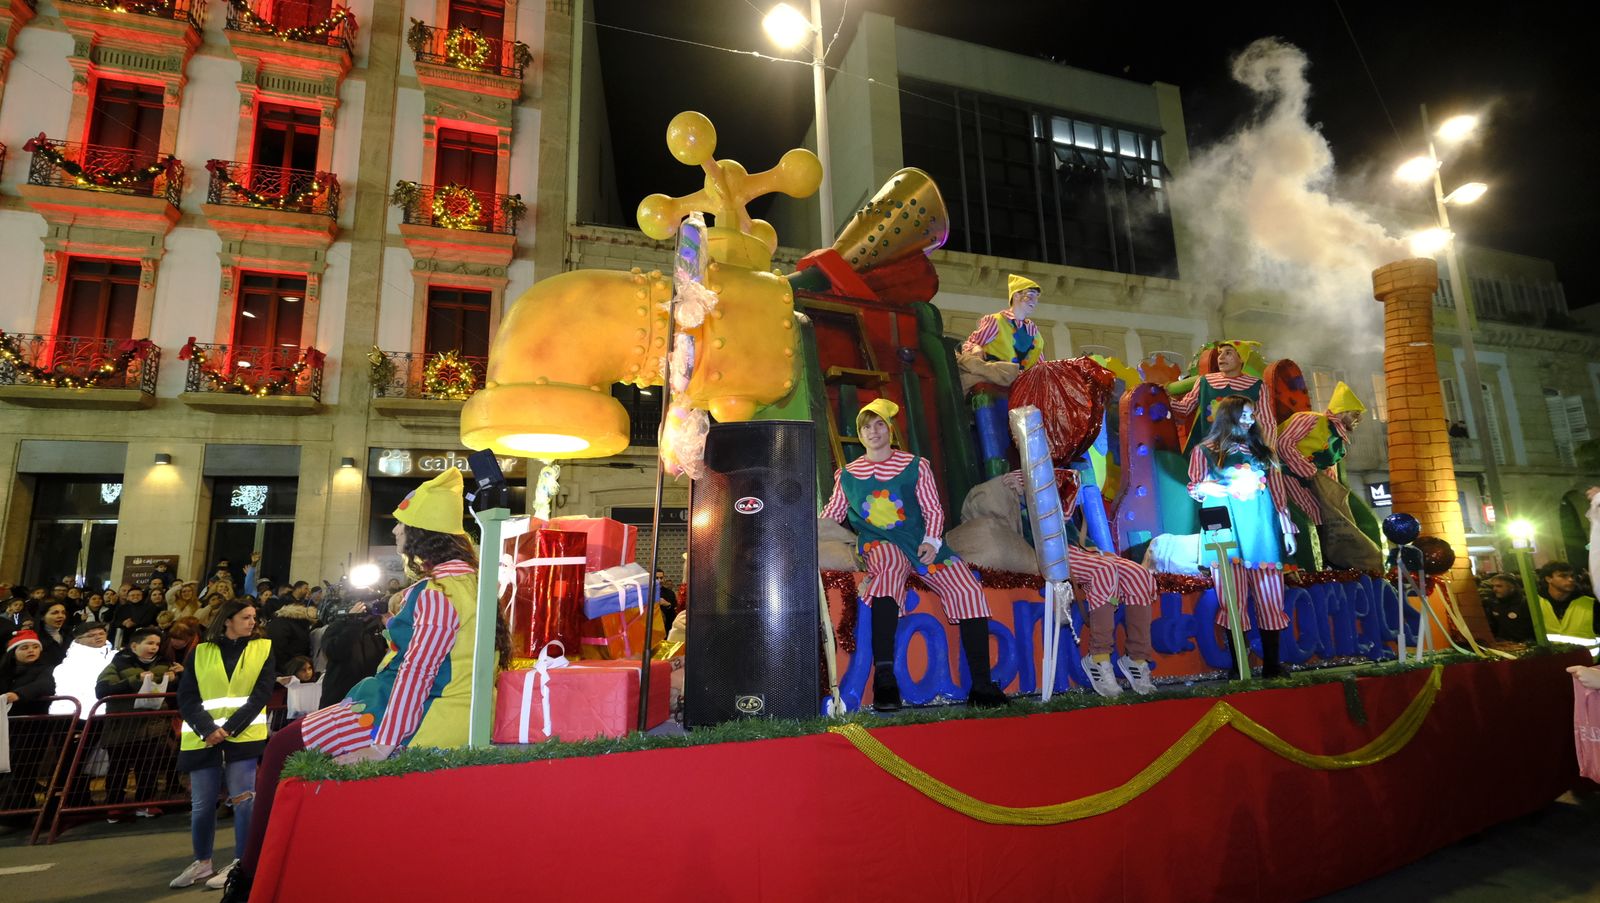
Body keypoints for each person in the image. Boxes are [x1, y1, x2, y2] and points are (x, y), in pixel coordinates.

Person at [226, 468, 504, 902]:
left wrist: (384, 742)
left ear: (421, 534)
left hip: (407, 717)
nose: (393, 530)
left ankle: (251, 876)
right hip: (450, 717)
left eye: (401, 523)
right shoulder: (476, 584)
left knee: (281, 748)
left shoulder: (437, 592)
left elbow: (417, 672)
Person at [820, 398, 1009, 712]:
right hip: (881, 543)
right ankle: (885, 680)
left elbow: (933, 509)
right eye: (866, 426)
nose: (873, 431)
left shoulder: (915, 466)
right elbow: (831, 515)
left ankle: (981, 683)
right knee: (888, 573)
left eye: (879, 424)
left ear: (889, 429)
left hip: (921, 542)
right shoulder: (849, 475)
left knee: (966, 586)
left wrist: (933, 542)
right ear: (860, 434)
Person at [1003, 468, 1160, 697]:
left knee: (1140, 575)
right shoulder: (1019, 489)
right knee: (1104, 570)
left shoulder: (1057, 478)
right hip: (1049, 553)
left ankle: (1136, 658)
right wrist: (1023, 493)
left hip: (1078, 549)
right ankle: (1099, 658)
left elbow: (1066, 513)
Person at [1188, 395, 1297, 679]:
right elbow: (1195, 488)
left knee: (1270, 596)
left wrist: (1286, 527)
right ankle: (1240, 667)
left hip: (1261, 529)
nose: (1250, 419)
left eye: (1252, 414)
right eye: (1244, 414)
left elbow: (1278, 493)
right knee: (1231, 599)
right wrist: (1211, 488)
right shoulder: (1206, 450)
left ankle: (1272, 665)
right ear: (1229, 415)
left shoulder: (1263, 452)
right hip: (1223, 527)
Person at [170, 599, 275, 891]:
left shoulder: (263, 648)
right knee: (202, 805)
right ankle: (202, 862)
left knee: (244, 802)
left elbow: (261, 693)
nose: (253, 622)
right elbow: (187, 696)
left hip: (241, 737)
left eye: (254, 617)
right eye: (246, 617)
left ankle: (241, 861)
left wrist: (227, 728)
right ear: (228, 620)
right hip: (204, 738)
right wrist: (208, 729)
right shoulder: (200, 652)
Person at [1273, 381, 1381, 571]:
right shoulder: (1310, 420)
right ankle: (1317, 562)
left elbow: (1329, 471)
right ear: (1341, 411)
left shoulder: (1338, 441)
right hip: (1287, 476)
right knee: (1312, 512)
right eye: (1355, 414)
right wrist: (1308, 471)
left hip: (1312, 482)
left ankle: (1335, 560)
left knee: (1327, 513)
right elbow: (1283, 444)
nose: (1359, 420)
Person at [96, 627, 179, 820]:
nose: (154, 648)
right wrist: (135, 680)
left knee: (148, 766)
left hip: (153, 727)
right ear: (134, 645)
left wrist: (180, 676)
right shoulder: (117, 664)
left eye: (157, 644)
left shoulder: (165, 665)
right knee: (119, 768)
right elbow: (102, 690)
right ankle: (115, 804)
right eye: (149, 643)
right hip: (123, 727)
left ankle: (146, 802)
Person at [1170, 340, 1276, 455]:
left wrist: (1266, 449)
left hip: (1243, 451)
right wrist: (1163, 398)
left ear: (1241, 358)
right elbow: (1184, 408)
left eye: (1228, 353)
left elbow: (1267, 421)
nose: (1221, 357)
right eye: (1220, 353)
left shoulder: (1257, 385)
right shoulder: (1204, 381)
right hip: (1207, 448)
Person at [0, 631, 57, 811]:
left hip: (31, 728)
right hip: (6, 727)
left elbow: (45, 685)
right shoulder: (4, 672)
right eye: (24, 648)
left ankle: (18, 813)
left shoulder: (46, 669)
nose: (31, 651)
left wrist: (18, 694)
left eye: (34, 647)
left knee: (22, 769)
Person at [960, 273, 1044, 378]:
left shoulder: (1035, 333)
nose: (1035, 301)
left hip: (1022, 387)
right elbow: (970, 344)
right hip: (995, 383)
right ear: (1016, 295)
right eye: (1030, 295)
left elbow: (1040, 366)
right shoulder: (996, 321)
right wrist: (975, 348)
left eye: (1036, 297)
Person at [1536, 562, 1596, 643]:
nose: (1570, 579)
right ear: (1548, 579)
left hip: (1586, 655)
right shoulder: (1535, 604)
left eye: (1572, 576)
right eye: (1563, 576)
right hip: (1549, 655)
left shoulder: (1591, 603)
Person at [262, 591, 317, 672]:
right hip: (301, 668)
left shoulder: (279, 623)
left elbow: (277, 649)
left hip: (287, 669)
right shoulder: (302, 621)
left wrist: (284, 670)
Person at [1480, 573, 1535, 643]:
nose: (1494, 589)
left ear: (1512, 588)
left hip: (1523, 645)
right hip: (1503, 645)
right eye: (1493, 586)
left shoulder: (1525, 603)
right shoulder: (1492, 604)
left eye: (1499, 586)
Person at [36, 601, 71, 668]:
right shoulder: (34, 639)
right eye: (55, 613)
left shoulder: (70, 634)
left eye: (63, 613)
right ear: (42, 617)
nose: (61, 616)